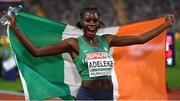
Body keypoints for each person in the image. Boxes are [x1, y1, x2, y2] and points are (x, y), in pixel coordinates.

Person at [8, 7, 174, 100]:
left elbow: (140, 39)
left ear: (99, 22)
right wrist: (16, 28)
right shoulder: (73, 43)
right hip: (88, 96)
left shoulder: (106, 40)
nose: (92, 24)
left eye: (95, 20)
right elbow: (37, 52)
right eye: (88, 20)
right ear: (82, 22)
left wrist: (165, 25)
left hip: (107, 95)